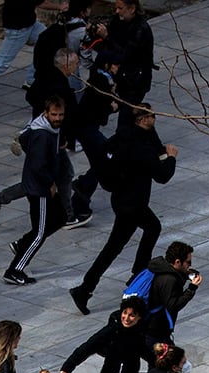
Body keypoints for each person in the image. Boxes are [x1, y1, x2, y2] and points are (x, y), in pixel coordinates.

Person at [69, 104, 177, 310]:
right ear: (143, 120)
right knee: (144, 231)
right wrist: (171, 157)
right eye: (152, 116)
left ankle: (87, 288)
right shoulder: (141, 148)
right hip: (133, 203)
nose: (155, 118)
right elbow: (162, 176)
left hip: (121, 199)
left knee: (126, 240)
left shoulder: (125, 136)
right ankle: (134, 274)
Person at [4, 97, 74, 286]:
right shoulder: (43, 135)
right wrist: (50, 184)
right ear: (46, 113)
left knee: (60, 217)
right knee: (40, 233)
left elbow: (26, 141)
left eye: (60, 114)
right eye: (54, 114)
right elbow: (38, 166)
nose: (58, 118)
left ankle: (22, 244)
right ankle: (15, 269)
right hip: (40, 189)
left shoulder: (47, 129)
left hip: (42, 185)